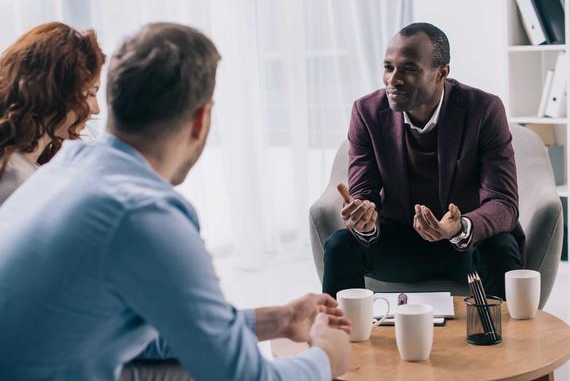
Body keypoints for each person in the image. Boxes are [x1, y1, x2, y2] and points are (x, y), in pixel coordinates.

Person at [0, 22, 351, 380]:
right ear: (202, 119)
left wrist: (280, 319)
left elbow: (144, 337)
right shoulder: (143, 212)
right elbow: (244, 377)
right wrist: (326, 357)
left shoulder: (65, 170)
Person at [322, 22, 524, 300]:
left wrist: (459, 227)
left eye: (409, 68)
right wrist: (365, 219)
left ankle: (505, 342)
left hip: (462, 244)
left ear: (442, 73)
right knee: (340, 245)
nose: (393, 79)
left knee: (500, 246)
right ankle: (340, 337)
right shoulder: (366, 112)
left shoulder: (484, 110)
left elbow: (503, 202)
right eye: (388, 67)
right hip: (399, 242)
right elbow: (364, 193)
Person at [0, 22, 104, 205]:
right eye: (90, 94)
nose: (96, 109)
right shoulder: (17, 182)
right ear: (54, 92)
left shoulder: (24, 168)